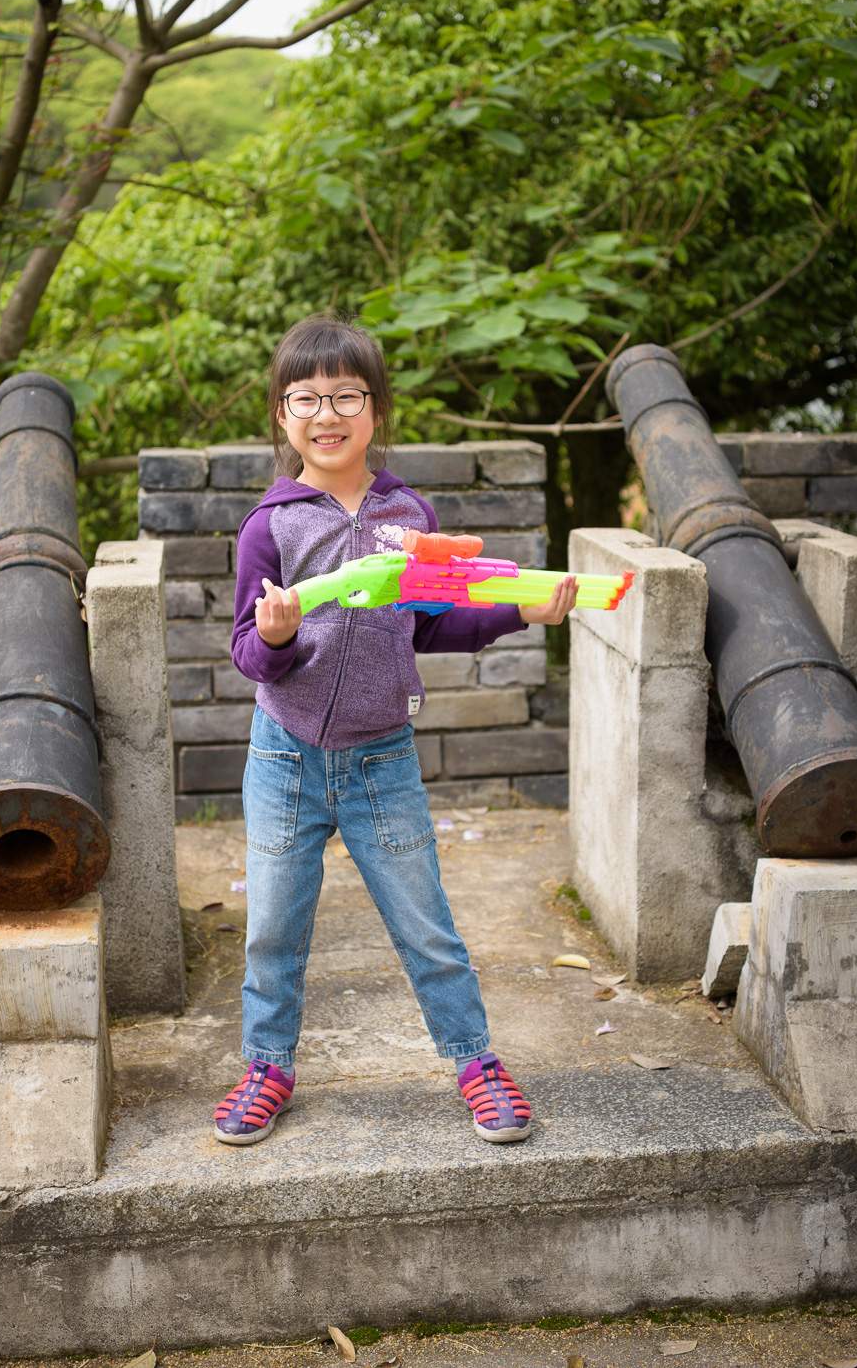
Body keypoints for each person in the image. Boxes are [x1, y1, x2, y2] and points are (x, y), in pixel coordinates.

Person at [213, 313, 577, 1147]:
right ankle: (268, 1064)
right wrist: (274, 638)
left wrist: (522, 611)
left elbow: (432, 624)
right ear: (281, 413)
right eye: (306, 396)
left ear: (375, 410)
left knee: (427, 923)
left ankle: (474, 1059)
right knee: (273, 923)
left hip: (383, 759)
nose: (326, 411)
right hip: (284, 756)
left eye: (346, 393)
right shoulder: (271, 525)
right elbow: (245, 648)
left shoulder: (408, 513)